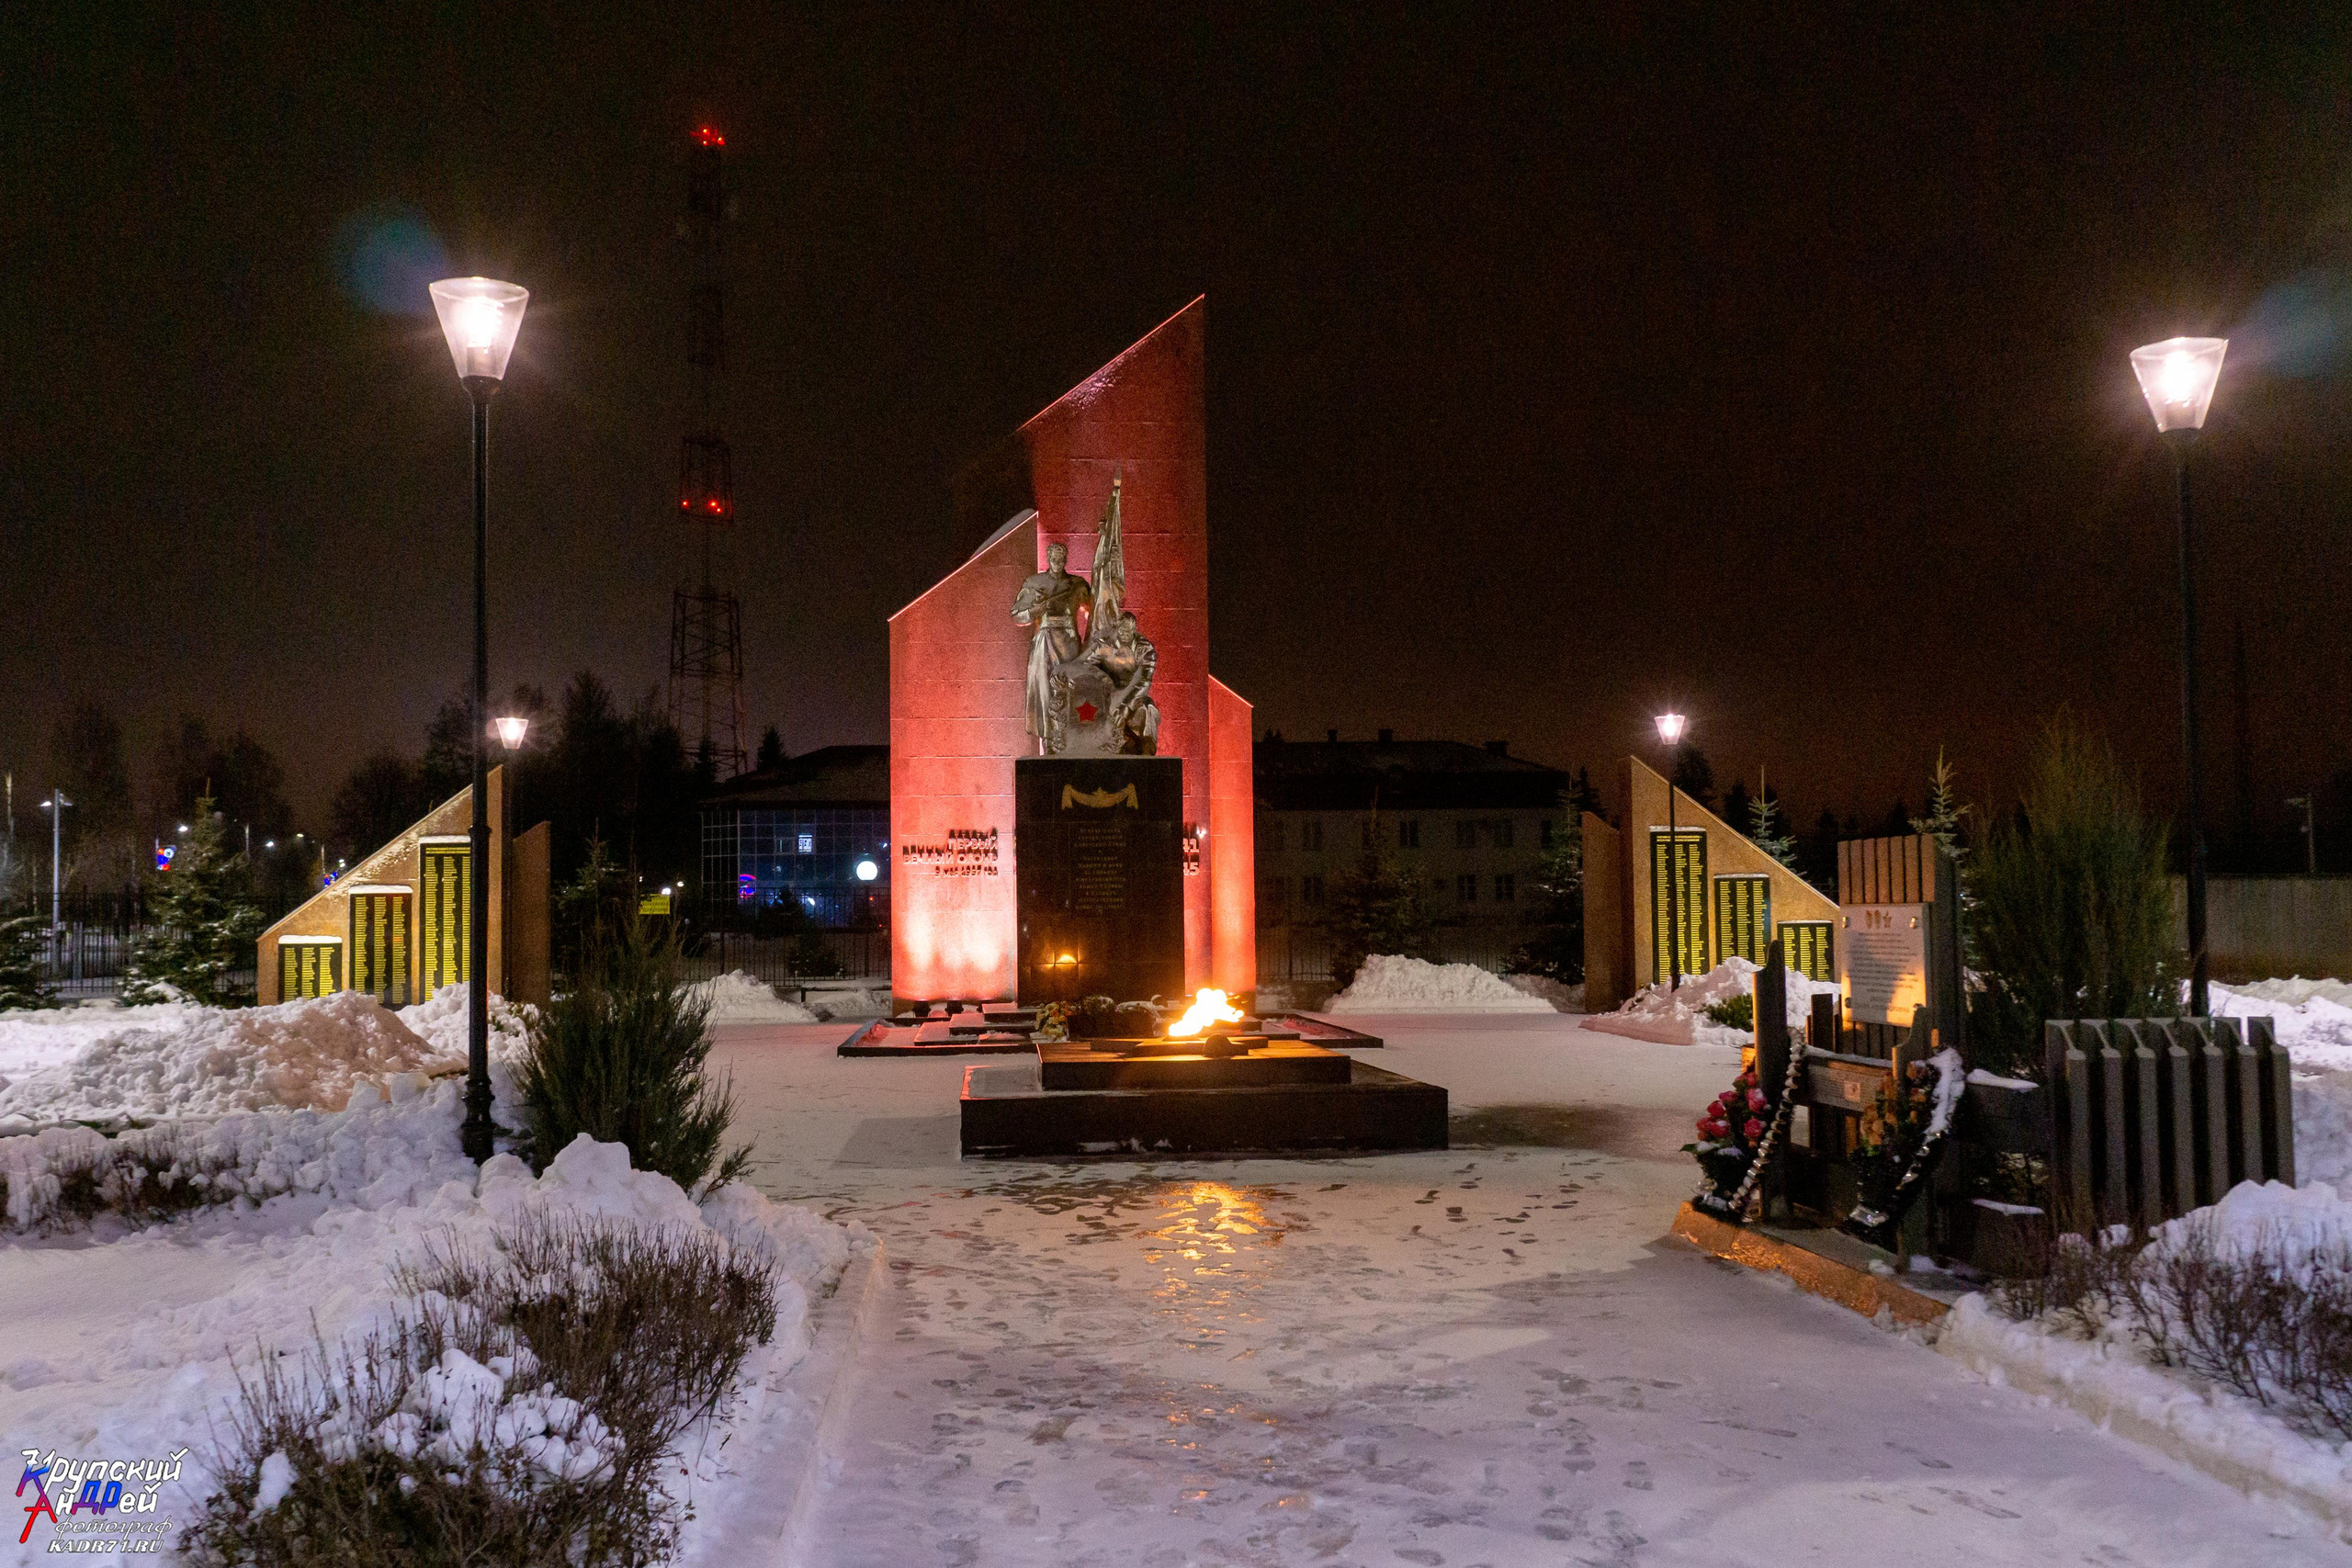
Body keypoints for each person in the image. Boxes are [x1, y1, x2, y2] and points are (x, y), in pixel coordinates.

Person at [1010, 543, 1089, 751]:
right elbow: (1017, 615)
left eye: (1061, 558)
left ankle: (1071, 741)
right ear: (1048, 558)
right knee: (1046, 692)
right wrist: (1035, 610)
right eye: (1054, 558)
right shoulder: (1034, 582)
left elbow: (1094, 611)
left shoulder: (1077, 584)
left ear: (1066, 559)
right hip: (1044, 644)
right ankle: (1050, 742)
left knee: (1070, 690)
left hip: (1069, 644)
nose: (1057, 562)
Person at [1077, 611, 1160, 755]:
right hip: (1108, 695)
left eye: (1129, 630)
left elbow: (1144, 681)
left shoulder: (1146, 650)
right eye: (1122, 630)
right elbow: (1085, 667)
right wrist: (1101, 677)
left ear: (1134, 630)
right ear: (1117, 628)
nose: (1125, 634)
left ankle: (1146, 753)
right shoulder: (1104, 645)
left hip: (1134, 695)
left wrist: (1125, 707)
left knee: (1147, 710)